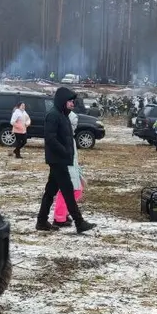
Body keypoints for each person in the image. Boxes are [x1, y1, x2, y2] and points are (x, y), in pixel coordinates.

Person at [35, 87, 94, 234]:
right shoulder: (53, 115)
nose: (72, 104)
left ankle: (41, 221)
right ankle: (79, 222)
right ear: (63, 101)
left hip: (60, 160)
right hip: (58, 160)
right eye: (70, 101)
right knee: (68, 191)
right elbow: (50, 138)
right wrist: (64, 151)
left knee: (50, 192)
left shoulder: (63, 115)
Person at [53, 103, 84, 228]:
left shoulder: (69, 137)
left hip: (72, 166)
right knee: (71, 191)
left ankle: (62, 214)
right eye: (73, 124)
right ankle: (59, 217)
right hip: (67, 166)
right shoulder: (64, 137)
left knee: (75, 190)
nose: (75, 126)